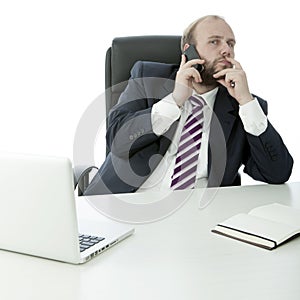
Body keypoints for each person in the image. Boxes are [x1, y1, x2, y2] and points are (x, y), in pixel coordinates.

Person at [84, 15, 293, 195]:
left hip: (197, 216)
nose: (226, 50)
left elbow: (277, 173)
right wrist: (174, 100)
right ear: (189, 50)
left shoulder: (242, 106)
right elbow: (117, 141)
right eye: (214, 42)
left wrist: (246, 103)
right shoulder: (147, 76)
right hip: (127, 203)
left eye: (231, 44)